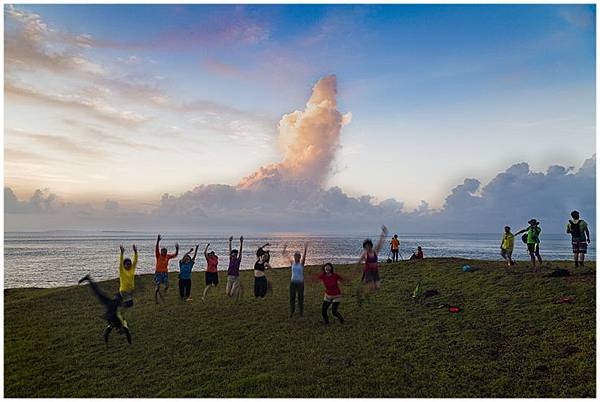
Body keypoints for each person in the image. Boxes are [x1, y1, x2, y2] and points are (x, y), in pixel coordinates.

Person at [78, 274, 132, 344]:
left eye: (118, 331)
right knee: (121, 294)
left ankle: (88, 279)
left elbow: (106, 333)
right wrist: (129, 341)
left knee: (98, 293)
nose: (118, 330)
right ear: (123, 329)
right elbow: (127, 333)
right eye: (121, 331)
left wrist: (106, 342)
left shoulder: (113, 325)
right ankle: (125, 280)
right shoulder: (123, 324)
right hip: (114, 305)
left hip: (109, 305)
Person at [357, 225, 388, 303]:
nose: (367, 247)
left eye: (369, 246)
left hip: (375, 271)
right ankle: (362, 295)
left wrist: (384, 233)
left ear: (371, 245)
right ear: (364, 247)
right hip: (368, 272)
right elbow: (359, 262)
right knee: (371, 286)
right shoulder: (365, 254)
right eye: (366, 246)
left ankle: (366, 294)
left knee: (377, 287)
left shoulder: (375, 251)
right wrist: (357, 271)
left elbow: (380, 243)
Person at [283, 242, 308, 317]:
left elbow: (304, 256)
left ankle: (301, 312)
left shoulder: (302, 264)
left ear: (299, 257)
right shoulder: (292, 263)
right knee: (292, 298)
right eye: (295, 256)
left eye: (298, 256)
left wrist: (305, 249)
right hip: (293, 283)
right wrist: (285, 249)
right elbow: (287, 256)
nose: (296, 257)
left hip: (300, 283)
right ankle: (292, 311)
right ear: (294, 257)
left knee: (300, 298)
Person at [154, 234, 179, 303]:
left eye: (165, 251)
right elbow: (156, 248)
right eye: (163, 251)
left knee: (167, 285)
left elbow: (175, 255)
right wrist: (158, 241)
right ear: (161, 252)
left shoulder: (167, 256)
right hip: (158, 273)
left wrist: (177, 249)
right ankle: (156, 298)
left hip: (165, 272)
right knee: (158, 287)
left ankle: (163, 293)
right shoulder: (158, 256)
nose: (164, 252)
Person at [226, 236, 244, 302]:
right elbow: (230, 250)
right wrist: (230, 241)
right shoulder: (230, 259)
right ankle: (237, 290)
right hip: (230, 277)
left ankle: (237, 290)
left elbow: (241, 251)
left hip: (236, 277)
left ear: (236, 255)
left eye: (233, 255)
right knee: (228, 293)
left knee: (232, 293)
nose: (232, 256)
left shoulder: (238, 260)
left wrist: (241, 242)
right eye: (232, 255)